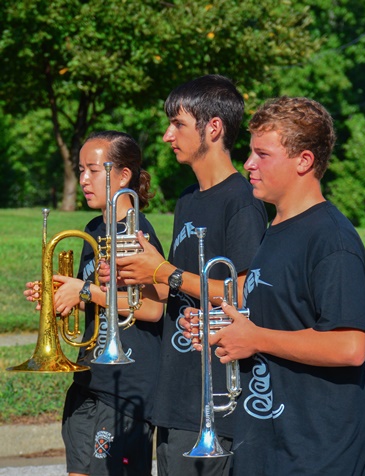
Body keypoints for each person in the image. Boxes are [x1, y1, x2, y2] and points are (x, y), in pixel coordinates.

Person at [182, 96, 365, 475]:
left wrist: (255, 339)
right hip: (265, 444)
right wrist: (220, 327)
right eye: (250, 152)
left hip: (317, 454)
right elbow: (274, 322)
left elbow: (350, 346)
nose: (249, 164)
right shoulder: (276, 231)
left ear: (304, 161)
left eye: (262, 154)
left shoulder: (332, 240)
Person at [105, 75, 268, 476]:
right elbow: (173, 287)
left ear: (212, 127)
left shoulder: (243, 201)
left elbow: (244, 291)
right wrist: (136, 271)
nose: (166, 135)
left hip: (216, 400)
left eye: (177, 124)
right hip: (178, 393)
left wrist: (162, 269)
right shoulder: (187, 200)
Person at [25, 130, 164, 476]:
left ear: (123, 174)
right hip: (89, 378)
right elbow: (104, 302)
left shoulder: (136, 233)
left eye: (93, 170)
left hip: (126, 385)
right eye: (81, 170)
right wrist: (59, 296)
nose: (84, 179)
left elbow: (152, 308)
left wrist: (84, 291)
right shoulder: (94, 229)